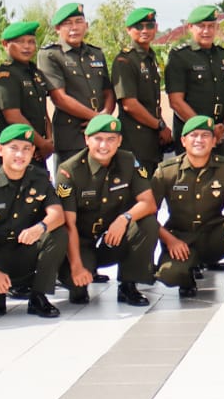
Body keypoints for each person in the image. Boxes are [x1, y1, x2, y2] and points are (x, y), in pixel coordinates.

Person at [0, 124, 66, 319]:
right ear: (0, 150)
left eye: (26, 149)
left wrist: (40, 228)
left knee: (58, 233)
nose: (21, 155)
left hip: (24, 251)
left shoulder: (39, 178)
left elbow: (58, 214)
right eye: (14, 148)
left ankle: (38, 296)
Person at [56, 114, 158, 307]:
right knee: (77, 287)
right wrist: (77, 267)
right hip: (80, 242)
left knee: (147, 223)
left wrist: (124, 218)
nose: (104, 146)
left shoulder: (128, 161)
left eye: (111, 139)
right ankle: (81, 271)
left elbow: (148, 203)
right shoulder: (69, 171)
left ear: (119, 141)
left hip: (112, 238)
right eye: (98, 139)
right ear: (87, 139)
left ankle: (128, 285)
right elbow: (68, 224)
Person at [152, 116, 224, 301]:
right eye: (194, 135)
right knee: (169, 275)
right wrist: (169, 240)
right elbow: (148, 213)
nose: (199, 140)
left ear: (214, 141)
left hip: (213, 237)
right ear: (183, 141)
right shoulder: (166, 171)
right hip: (181, 240)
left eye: (205, 135)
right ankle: (186, 276)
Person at [37, 3, 114, 174]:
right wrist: (97, 119)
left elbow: (108, 90)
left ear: (86, 25)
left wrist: (105, 116)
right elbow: (60, 98)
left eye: (79, 22)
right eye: (68, 23)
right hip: (72, 135)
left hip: (102, 135)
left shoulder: (96, 53)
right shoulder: (50, 55)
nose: (74, 28)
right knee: (68, 188)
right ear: (58, 28)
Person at [165, 4, 224, 159]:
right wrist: (205, 129)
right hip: (192, 135)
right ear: (191, 27)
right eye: (201, 26)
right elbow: (176, 101)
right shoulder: (180, 56)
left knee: (220, 180)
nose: (207, 31)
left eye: (211, 26)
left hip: (220, 135)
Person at [113, 6, 174, 169]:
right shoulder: (125, 60)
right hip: (134, 140)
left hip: (152, 141)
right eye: (139, 27)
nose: (145, 30)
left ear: (156, 28)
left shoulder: (150, 58)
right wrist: (159, 125)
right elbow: (129, 104)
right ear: (128, 30)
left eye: (149, 26)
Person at [0, 20, 56, 165]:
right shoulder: (5, 75)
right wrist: (42, 143)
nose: (27, 46)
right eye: (20, 42)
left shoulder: (35, 73)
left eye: (31, 42)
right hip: (14, 152)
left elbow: (43, 113)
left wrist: (49, 141)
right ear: (5, 45)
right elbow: (13, 116)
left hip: (37, 152)